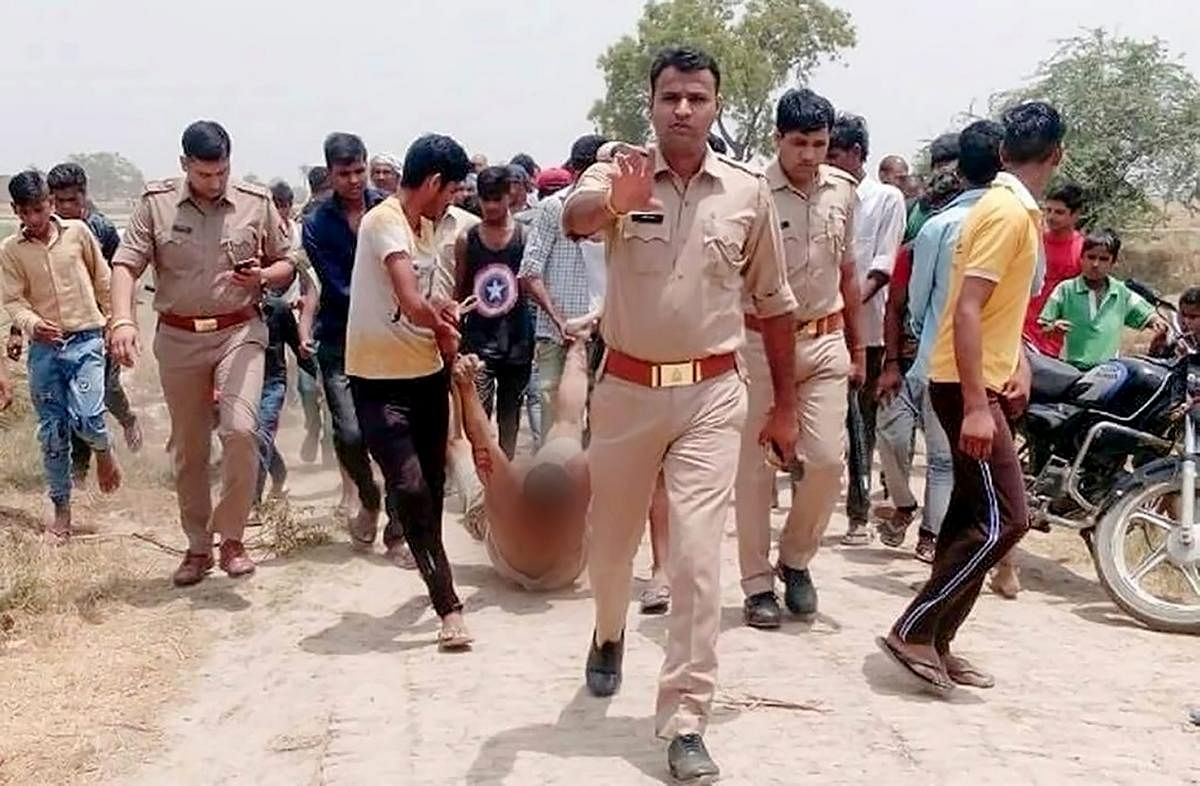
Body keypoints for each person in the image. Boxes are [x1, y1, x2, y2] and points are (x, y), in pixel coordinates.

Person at [564, 47, 798, 782]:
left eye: (697, 97)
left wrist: (786, 404)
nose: (684, 110)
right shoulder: (618, 174)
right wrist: (612, 201)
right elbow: (573, 219)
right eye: (671, 97)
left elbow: (777, 302)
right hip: (626, 391)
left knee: (697, 557)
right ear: (652, 103)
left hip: (711, 393)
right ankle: (608, 633)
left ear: (716, 105)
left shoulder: (746, 192)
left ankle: (686, 718)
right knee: (609, 549)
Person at [879, 101, 1065, 694]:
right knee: (1007, 518)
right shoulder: (1009, 214)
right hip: (964, 385)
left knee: (968, 517)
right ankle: (913, 629)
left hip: (977, 378)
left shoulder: (1007, 210)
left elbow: (997, 311)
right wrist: (979, 405)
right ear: (1057, 156)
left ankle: (936, 640)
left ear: (1005, 153)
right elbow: (965, 308)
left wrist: (1016, 365)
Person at [108, 120, 294, 584]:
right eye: (205, 174)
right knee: (190, 448)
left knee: (240, 428)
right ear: (184, 165)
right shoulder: (155, 205)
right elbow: (126, 266)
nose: (215, 183)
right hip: (179, 336)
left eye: (222, 172)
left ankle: (232, 539)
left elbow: (289, 261)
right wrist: (124, 320)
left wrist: (265, 278)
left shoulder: (256, 201)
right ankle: (197, 547)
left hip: (239, 331)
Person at [735, 88, 862, 628]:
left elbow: (849, 272)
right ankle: (757, 584)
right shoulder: (750, 193)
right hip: (758, 343)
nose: (810, 155)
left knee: (829, 461)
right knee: (755, 470)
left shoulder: (843, 192)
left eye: (820, 143)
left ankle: (796, 560)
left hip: (825, 339)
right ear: (777, 139)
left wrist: (859, 349)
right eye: (799, 143)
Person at [345, 133, 472, 650]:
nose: (453, 202)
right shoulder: (385, 223)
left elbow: (430, 297)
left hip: (425, 376)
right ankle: (449, 605)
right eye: (452, 190)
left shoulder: (427, 228)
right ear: (435, 182)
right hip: (377, 382)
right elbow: (409, 297)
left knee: (432, 490)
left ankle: (431, 569)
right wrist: (437, 319)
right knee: (412, 486)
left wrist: (446, 321)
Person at [876, 121, 1005, 562]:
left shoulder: (966, 225)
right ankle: (913, 512)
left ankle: (933, 536)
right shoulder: (930, 231)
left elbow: (917, 302)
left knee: (943, 458)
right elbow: (903, 303)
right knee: (898, 439)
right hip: (929, 357)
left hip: (942, 356)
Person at [302, 133, 410, 564]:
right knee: (348, 432)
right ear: (329, 173)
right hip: (341, 339)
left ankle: (398, 531)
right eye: (343, 173)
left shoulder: (390, 210)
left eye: (358, 171)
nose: (352, 180)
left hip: (390, 338)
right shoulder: (316, 225)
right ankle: (368, 496)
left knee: (396, 439)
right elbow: (338, 286)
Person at [1, 170, 122, 542]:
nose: (34, 219)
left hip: (86, 341)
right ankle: (62, 514)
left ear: (50, 204)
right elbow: (12, 300)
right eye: (25, 212)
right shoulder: (11, 251)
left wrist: (114, 323)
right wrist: (33, 324)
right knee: (52, 433)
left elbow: (104, 279)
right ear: (15, 210)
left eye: (39, 209)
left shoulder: (79, 234)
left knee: (88, 417)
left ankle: (103, 450)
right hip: (45, 350)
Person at [451, 336, 591, 591]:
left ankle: (576, 352)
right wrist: (578, 348)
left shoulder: (510, 492)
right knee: (567, 427)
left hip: (509, 556)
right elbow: (576, 422)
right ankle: (576, 351)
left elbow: (481, 438)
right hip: (565, 569)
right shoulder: (581, 483)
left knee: (457, 447)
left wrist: (465, 385)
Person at [827, 114, 907, 545]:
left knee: (861, 422)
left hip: (868, 332)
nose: (826, 162)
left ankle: (858, 513)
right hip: (818, 328)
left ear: (857, 154)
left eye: (834, 155)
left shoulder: (886, 199)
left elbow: (882, 266)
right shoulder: (821, 194)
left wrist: (844, 305)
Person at [44, 163, 144, 479]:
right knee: (72, 396)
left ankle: (126, 419)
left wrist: (124, 324)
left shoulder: (100, 229)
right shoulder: (45, 230)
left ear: (84, 196)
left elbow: (123, 278)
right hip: (63, 327)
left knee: (103, 389)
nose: (63, 208)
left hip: (101, 324)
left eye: (70, 201)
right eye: (57, 201)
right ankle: (78, 469)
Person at [518, 134, 608, 433]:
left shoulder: (620, 212)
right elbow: (530, 273)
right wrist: (561, 323)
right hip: (557, 336)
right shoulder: (553, 208)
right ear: (576, 171)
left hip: (606, 336)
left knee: (603, 425)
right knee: (554, 424)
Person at [454, 166, 533, 459]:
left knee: (510, 415)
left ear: (509, 196)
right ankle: (483, 477)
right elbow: (460, 291)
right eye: (484, 199)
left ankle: (506, 473)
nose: (489, 207)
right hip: (478, 342)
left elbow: (530, 287)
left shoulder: (525, 238)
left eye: (495, 199)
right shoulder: (468, 239)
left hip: (517, 340)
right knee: (478, 414)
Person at [255, 180, 320, 502]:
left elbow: (299, 351)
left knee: (259, 434)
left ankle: (250, 504)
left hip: (272, 382)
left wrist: (319, 374)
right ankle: (278, 475)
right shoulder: (230, 312)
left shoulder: (277, 310)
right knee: (249, 437)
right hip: (241, 383)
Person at [1038, 229, 1165, 369]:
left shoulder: (1121, 293)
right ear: (1081, 258)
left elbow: (1149, 316)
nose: (1095, 264)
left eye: (1103, 259)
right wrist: (1053, 328)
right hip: (1070, 371)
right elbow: (1042, 329)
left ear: (1113, 262)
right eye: (1091, 257)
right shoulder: (1065, 290)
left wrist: (1157, 323)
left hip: (1108, 372)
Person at [1024, 183, 1084, 356]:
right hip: (1023, 330)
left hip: (1056, 336)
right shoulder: (1033, 242)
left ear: (1075, 215)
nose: (1051, 216)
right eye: (1048, 210)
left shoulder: (1083, 251)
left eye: (1059, 212)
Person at [1150, 287, 1200, 358]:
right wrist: (1157, 348)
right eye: (1184, 315)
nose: (1186, 321)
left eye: (1193, 317)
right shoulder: (1178, 332)